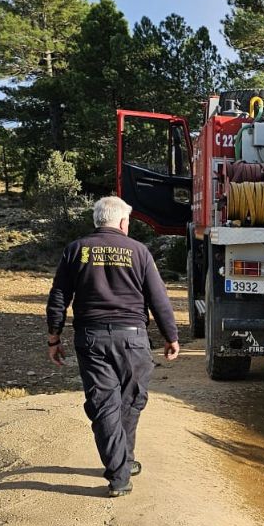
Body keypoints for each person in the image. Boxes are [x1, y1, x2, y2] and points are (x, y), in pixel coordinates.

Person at [47, 195, 180, 497]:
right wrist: (171, 336)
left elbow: (58, 297)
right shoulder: (139, 251)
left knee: (104, 404)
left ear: (97, 221)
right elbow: (158, 298)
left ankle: (121, 465)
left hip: (91, 338)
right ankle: (120, 471)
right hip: (133, 338)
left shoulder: (77, 250)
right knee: (130, 401)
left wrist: (54, 337)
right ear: (123, 222)